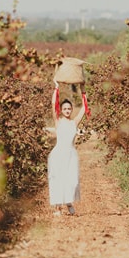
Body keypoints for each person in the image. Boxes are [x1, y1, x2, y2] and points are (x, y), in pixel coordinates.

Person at [48, 80, 87, 216]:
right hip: (59, 154)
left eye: (69, 109)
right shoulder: (58, 121)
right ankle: (58, 208)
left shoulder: (74, 122)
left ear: (71, 110)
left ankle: (69, 201)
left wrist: (83, 90)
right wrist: (56, 89)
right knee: (58, 179)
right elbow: (53, 105)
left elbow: (84, 108)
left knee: (72, 180)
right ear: (62, 110)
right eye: (64, 109)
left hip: (71, 154)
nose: (67, 111)